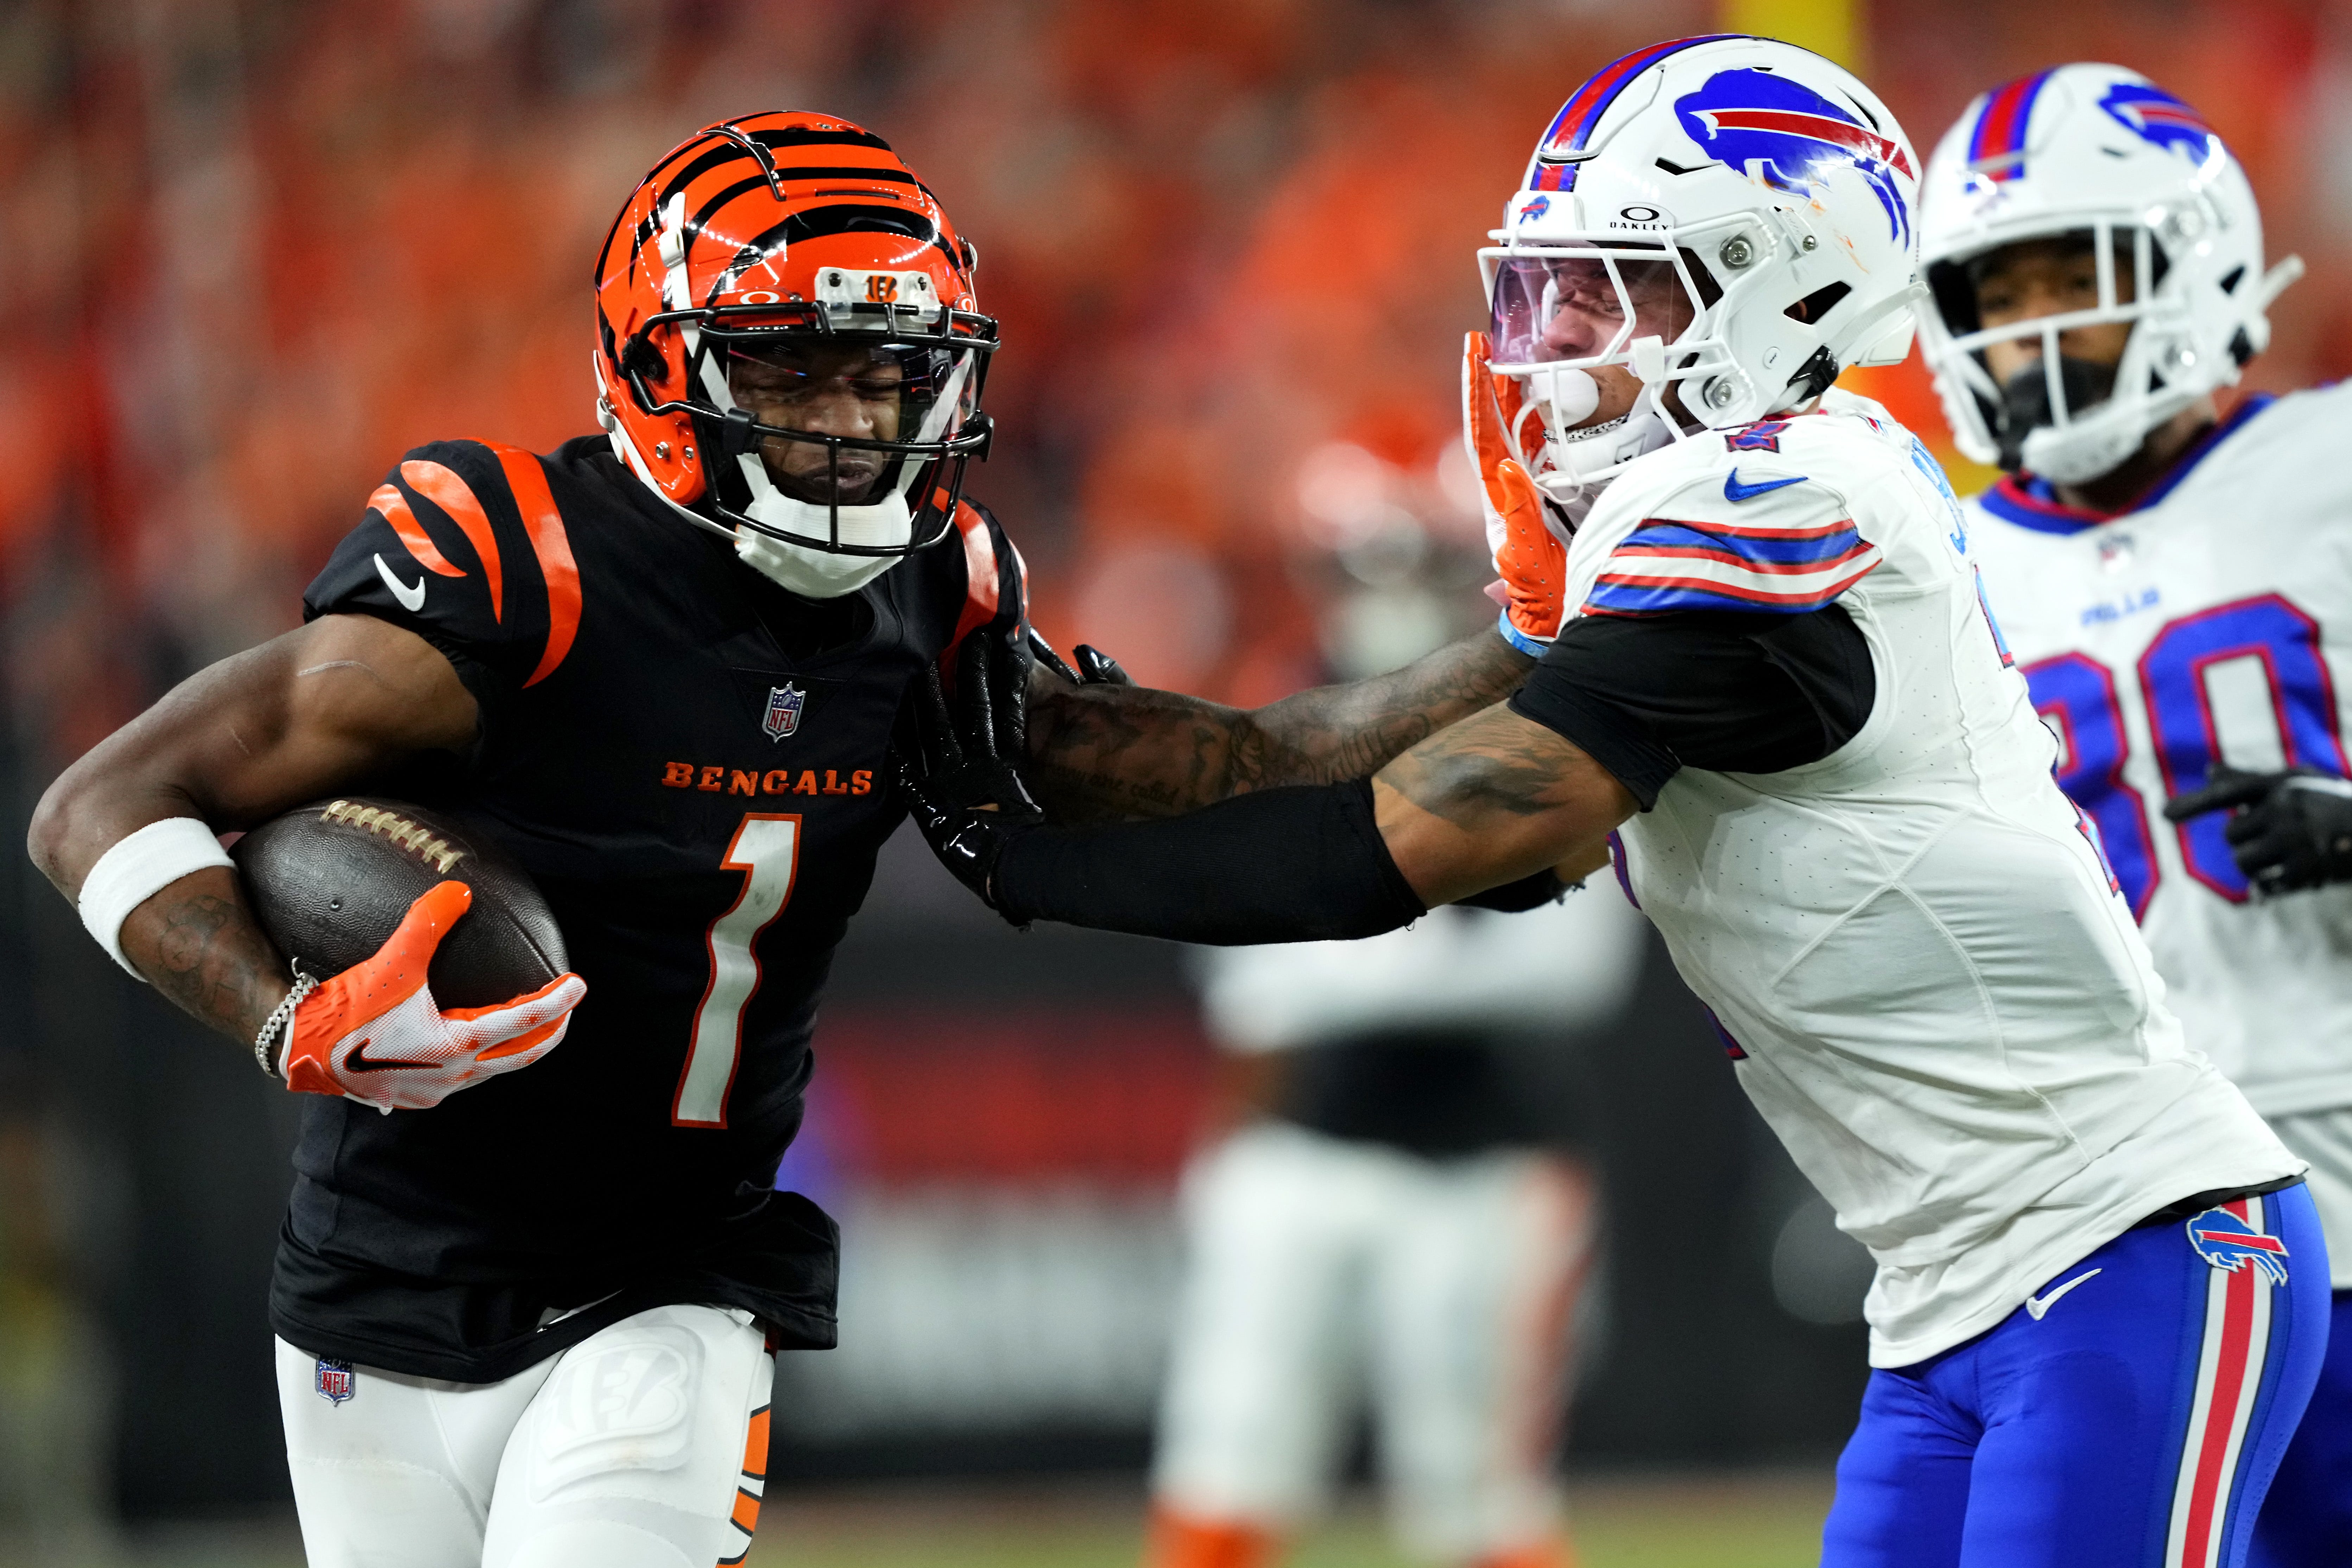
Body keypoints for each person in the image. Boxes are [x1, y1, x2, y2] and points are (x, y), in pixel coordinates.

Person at [23, 112, 1543, 1568]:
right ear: (653, 365)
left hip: (665, 1286)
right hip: (372, 1283)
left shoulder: (936, 599)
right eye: (793, 372)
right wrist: (282, 1009)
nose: (847, 427)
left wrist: (1553, 641)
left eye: (885, 380)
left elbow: (1245, 758)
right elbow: (95, 806)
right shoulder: (521, 568)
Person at [898, 36, 2326, 1568]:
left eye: (1612, 287)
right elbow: (1323, 747)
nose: (1554, 337)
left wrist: (1031, 869)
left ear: (1781, 286)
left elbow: (1391, 849)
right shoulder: (1695, 529)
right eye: (1548, 287)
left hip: (2127, 1244)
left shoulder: (1789, 496)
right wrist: (1023, 722)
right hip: (1952, 1296)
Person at [1918, 63, 2352, 1566]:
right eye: (1995, 288)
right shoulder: (1936, 561)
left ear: (2193, 263)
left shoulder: (2329, 467)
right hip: (2124, 1206)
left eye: (2075, 276)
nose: (2033, 329)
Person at [1144, 523, 1642, 1568]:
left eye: (1422, 564)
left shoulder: (1536, 723)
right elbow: (1242, 984)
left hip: (1482, 1162)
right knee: (1225, 1458)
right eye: (1372, 566)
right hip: (1295, 1146)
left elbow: (1574, 969)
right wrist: (1410, 958)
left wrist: (1347, 957)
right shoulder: (1270, 716)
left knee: (1471, 1495)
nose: (1396, 595)